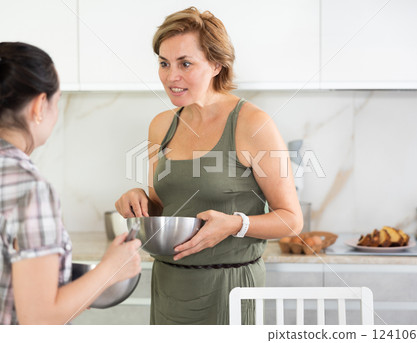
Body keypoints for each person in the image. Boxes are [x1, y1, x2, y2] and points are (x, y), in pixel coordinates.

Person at [115, 7, 303, 325]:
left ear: (216, 64)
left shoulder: (252, 123)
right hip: (170, 285)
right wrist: (136, 200)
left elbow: (291, 220)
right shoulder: (161, 125)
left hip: (231, 287)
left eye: (185, 63)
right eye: (164, 63)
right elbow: (162, 210)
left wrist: (236, 224)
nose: (170, 76)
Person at [0, 42, 142, 325]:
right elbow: (39, 319)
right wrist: (111, 269)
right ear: (40, 105)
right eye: (58, 99)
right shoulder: (30, 189)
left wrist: (74, 294)